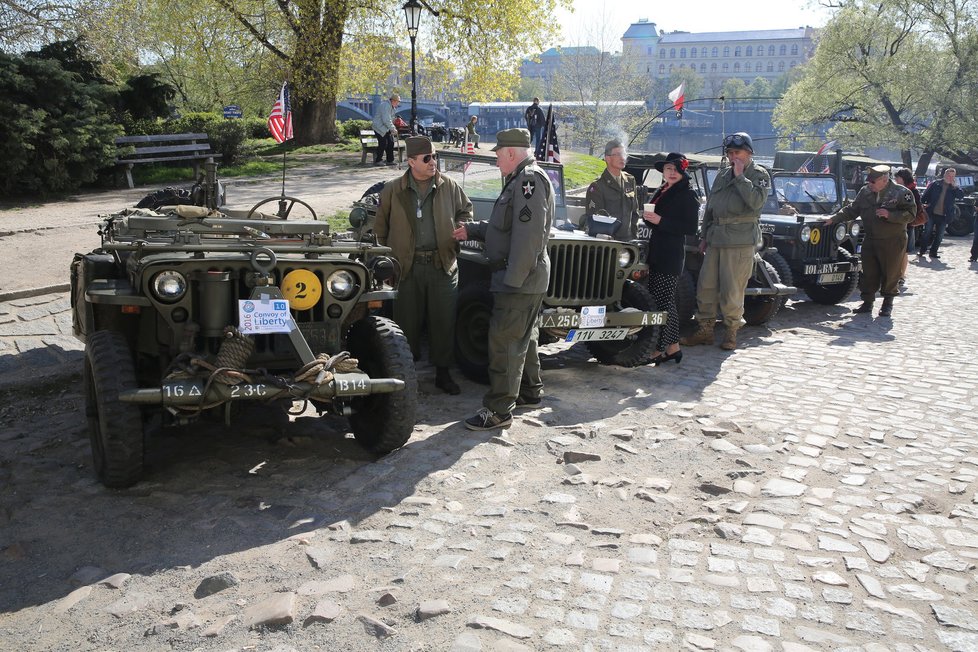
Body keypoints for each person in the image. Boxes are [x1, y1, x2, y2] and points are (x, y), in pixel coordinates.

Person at [451, 128, 553, 430]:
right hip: (526, 276)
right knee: (525, 337)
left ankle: (498, 410)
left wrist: (514, 279)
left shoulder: (528, 181)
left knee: (504, 342)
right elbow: (505, 225)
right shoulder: (522, 178)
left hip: (518, 277)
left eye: (497, 155)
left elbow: (528, 236)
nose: (496, 161)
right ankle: (530, 392)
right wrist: (474, 229)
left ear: (510, 153)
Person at [374, 136, 473, 394]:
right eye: (427, 158)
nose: (433, 162)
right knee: (406, 323)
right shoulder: (393, 189)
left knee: (443, 321)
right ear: (411, 162)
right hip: (407, 268)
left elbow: (466, 210)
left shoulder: (448, 185)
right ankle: (407, 375)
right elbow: (380, 228)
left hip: (442, 264)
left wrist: (461, 228)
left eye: (435, 156)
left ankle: (443, 373)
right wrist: (387, 260)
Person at [681, 132, 769, 351]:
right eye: (730, 153)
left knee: (732, 290)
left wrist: (740, 177)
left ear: (748, 152)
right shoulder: (722, 175)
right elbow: (711, 206)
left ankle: (731, 332)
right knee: (706, 286)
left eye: (737, 152)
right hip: (716, 239)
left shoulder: (758, 174)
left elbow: (756, 203)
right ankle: (705, 330)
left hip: (739, 240)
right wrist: (704, 237)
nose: (733, 157)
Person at [824, 165, 916, 317]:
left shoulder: (901, 193)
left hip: (893, 240)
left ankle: (887, 304)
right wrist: (833, 219)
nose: (869, 185)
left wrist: (890, 215)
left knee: (891, 273)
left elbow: (911, 214)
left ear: (884, 180)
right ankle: (867, 302)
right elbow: (852, 210)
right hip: (871, 238)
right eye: (869, 181)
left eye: (873, 182)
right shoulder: (865, 192)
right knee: (868, 273)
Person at [642, 152, 700, 365]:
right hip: (658, 250)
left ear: (683, 171)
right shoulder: (663, 189)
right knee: (662, 301)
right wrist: (649, 219)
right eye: (668, 169)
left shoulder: (687, 194)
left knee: (664, 302)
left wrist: (660, 220)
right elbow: (657, 220)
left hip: (671, 253)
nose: (671, 173)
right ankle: (673, 347)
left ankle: (662, 348)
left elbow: (690, 227)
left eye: (675, 169)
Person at [583, 139, 640, 241]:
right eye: (618, 154)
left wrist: (634, 238)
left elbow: (635, 213)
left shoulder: (630, 180)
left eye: (624, 154)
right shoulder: (597, 187)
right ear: (607, 159)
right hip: (608, 243)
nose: (623, 157)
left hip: (628, 242)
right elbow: (595, 220)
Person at [918, 167, 964, 260]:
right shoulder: (936, 184)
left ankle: (933, 252)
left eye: (952, 176)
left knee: (940, 235)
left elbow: (960, 196)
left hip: (944, 215)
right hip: (931, 213)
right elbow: (925, 196)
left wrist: (955, 187)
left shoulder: (954, 187)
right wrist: (924, 204)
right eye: (948, 175)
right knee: (927, 232)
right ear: (944, 175)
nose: (950, 177)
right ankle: (922, 250)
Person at [893, 167, 922, 287]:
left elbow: (916, 208)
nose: (895, 180)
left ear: (903, 178)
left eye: (897, 178)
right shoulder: (897, 190)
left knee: (903, 251)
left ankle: (901, 275)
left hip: (907, 224)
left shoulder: (912, 192)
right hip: (895, 224)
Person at [371, 93, 400, 166]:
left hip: (385, 128)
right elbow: (386, 119)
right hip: (379, 127)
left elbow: (391, 119)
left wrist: (393, 127)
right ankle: (378, 160)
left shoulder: (392, 107)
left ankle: (390, 160)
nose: (398, 103)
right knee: (383, 143)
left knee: (391, 142)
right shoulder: (386, 106)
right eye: (397, 102)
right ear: (393, 101)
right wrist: (393, 128)